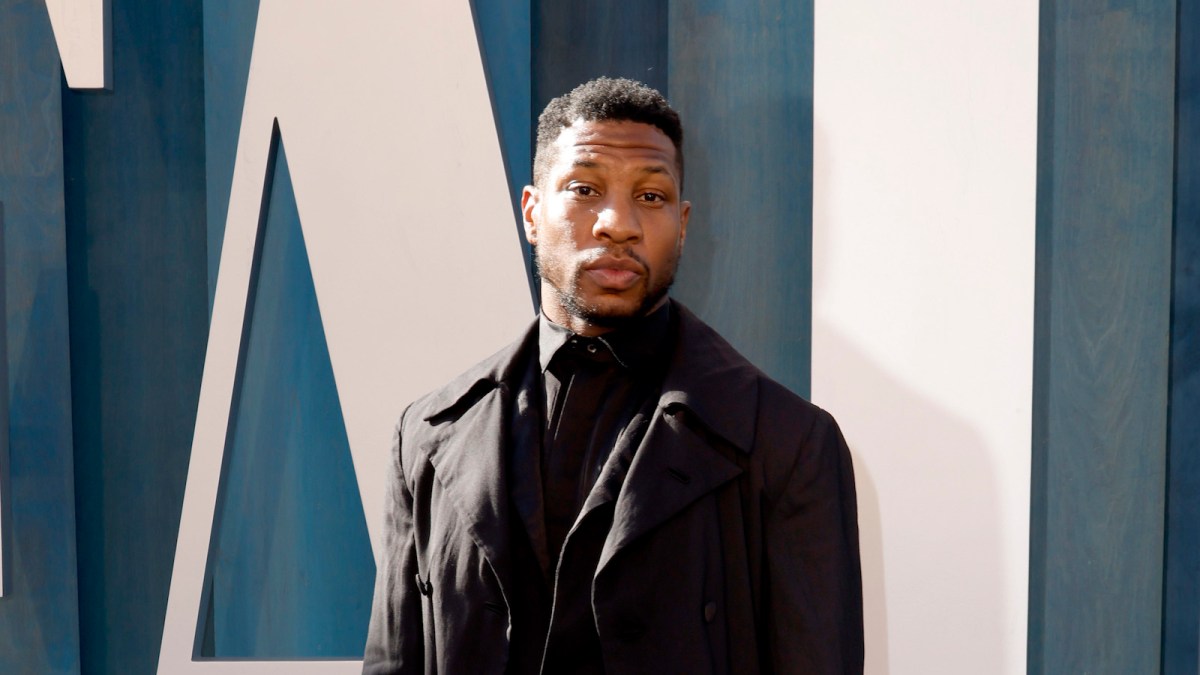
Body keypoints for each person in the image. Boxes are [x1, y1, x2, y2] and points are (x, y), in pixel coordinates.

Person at [363, 77, 863, 674]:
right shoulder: (426, 436)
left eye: (650, 197)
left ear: (682, 223)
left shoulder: (787, 443)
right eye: (584, 188)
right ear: (531, 212)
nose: (617, 223)